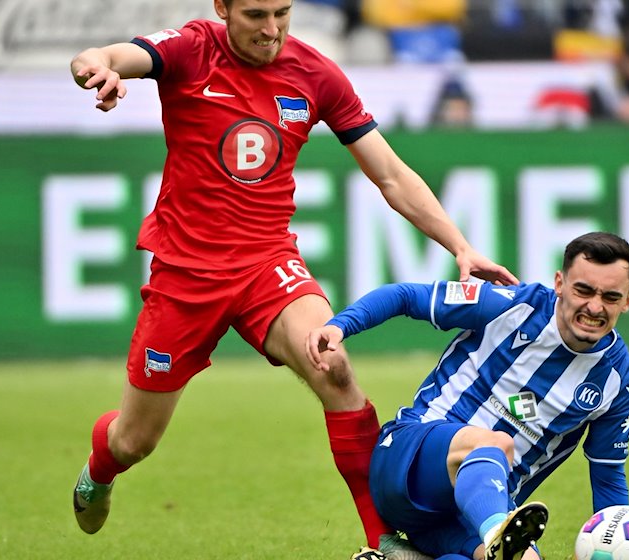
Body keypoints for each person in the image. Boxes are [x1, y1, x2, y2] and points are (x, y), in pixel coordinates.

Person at [67, 1, 518, 559]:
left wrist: (460, 245)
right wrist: (98, 68)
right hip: (186, 275)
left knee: (333, 364)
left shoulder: (316, 73)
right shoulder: (190, 48)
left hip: (266, 265)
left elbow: (391, 174)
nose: (272, 28)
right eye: (256, 14)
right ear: (222, 8)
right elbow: (106, 55)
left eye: (282, 12)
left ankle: (382, 539)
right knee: (134, 441)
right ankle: (99, 469)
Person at [308, 232, 629, 560]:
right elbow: (407, 296)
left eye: (611, 297)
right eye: (583, 290)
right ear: (560, 283)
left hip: (462, 518)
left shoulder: (616, 382)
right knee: (495, 444)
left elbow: (608, 476)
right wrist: (341, 326)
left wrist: (613, 543)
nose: (594, 307)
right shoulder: (509, 305)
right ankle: (498, 531)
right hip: (408, 460)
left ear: (627, 300)